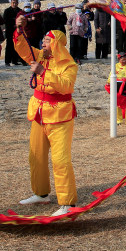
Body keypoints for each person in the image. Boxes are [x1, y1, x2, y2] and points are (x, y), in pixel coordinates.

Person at [14, 16, 79, 217]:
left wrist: (43, 72)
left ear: (57, 43)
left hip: (60, 116)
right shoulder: (40, 55)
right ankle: (41, 194)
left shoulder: (69, 65)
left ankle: (68, 204)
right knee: (36, 157)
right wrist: (18, 28)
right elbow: (23, 49)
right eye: (43, 40)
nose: (43, 42)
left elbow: (66, 86)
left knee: (60, 160)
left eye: (48, 40)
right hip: (39, 113)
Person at [3, 0, 23, 66]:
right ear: (11, 3)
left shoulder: (19, 11)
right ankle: (7, 61)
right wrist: (13, 23)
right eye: (13, 3)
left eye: (16, 3)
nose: (14, 4)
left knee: (16, 45)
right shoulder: (7, 11)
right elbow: (5, 20)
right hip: (9, 30)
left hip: (17, 31)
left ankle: (15, 60)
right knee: (9, 46)